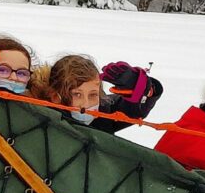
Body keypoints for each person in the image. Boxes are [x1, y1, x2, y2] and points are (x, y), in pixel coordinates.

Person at [27, 54, 163, 135]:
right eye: (77, 95)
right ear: (56, 97)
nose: (87, 104)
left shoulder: (103, 115)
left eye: (93, 95)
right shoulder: (40, 118)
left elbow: (131, 112)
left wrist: (140, 90)